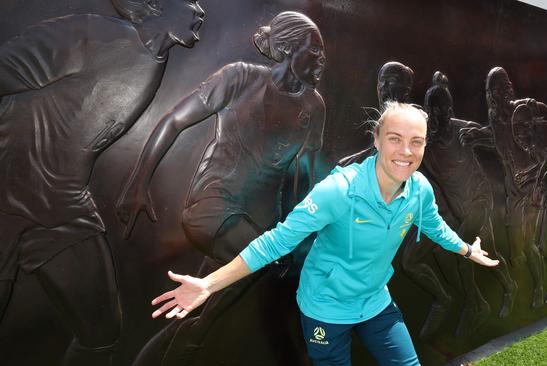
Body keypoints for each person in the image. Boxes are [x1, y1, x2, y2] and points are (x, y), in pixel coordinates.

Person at [149, 102, 499, 366]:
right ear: (376, 140)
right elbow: (276, 241)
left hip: (375, 302)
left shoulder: (419, 189)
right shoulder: (338, 191)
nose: (406, 151)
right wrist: (208, 284)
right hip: (325, 308)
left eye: (416, 142)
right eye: (395, 139)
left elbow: (434, 225)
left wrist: (468, 251)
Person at [0, 0, 204, 364]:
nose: (200, 11)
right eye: (191, 1)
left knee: (102, 332)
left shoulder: (154, 63)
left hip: (61, 204)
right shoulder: (94, 33)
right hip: (6, 195)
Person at [117, 11, 326, 365]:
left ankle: (181, 339)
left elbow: (301, 179)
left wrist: (298, 235)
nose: (323, 60)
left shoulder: (314, 106)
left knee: (192, 306)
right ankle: (196, 333)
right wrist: (138, 184)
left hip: (260, 225)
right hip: (212, 207)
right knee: (257, 264)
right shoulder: (239, 77)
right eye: (315, 52)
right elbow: (173, 121)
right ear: (290, 48)